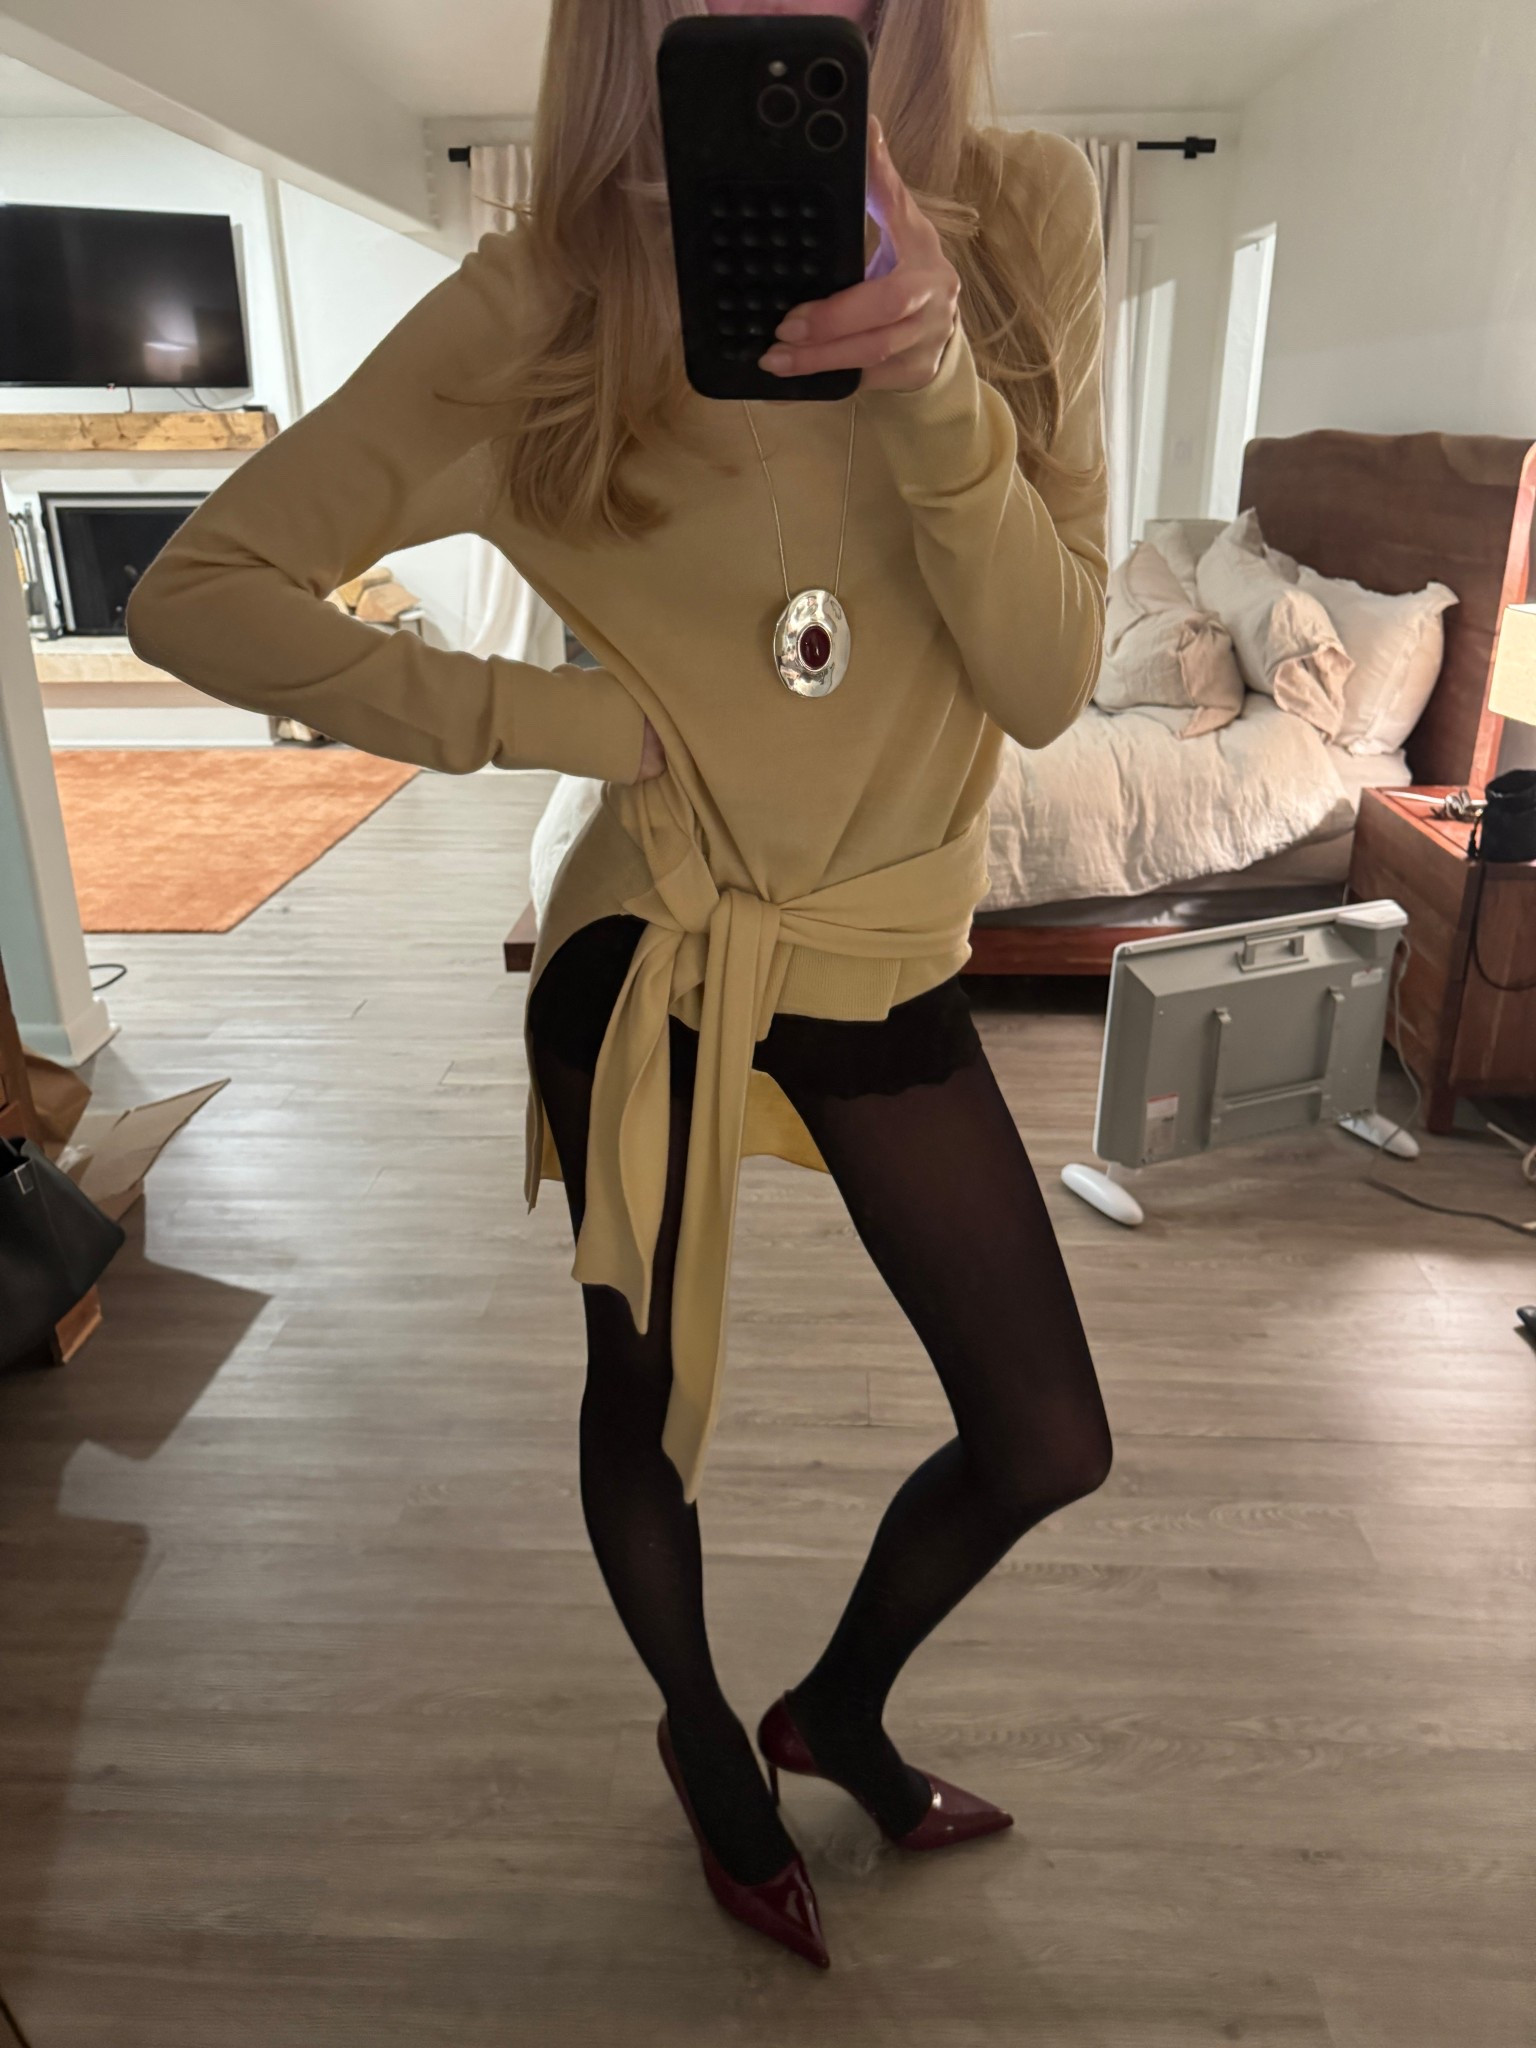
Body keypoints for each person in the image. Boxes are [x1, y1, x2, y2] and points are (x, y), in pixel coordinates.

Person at [125, 0, 1115, 1972]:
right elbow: (195, 588)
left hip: (884, 945)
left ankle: (837, 1709)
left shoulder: (1021, 220)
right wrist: (552, 718)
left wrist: (931, 377)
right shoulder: (538, 301)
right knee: (642, 1401)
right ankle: (704, 1742)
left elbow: (1044, 676)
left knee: (1047, 1436)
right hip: (656, 941)